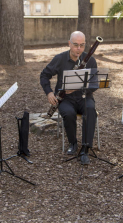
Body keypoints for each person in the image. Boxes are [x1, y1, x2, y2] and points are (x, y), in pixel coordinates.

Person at [40, 31, 97, 164]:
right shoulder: (60, 59)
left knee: (90, 110)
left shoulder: (90, 60)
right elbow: (44, 75)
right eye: (76, 45)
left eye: (82, 45)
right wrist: (49, 93)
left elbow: (94, 85)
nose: (79, 49)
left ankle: (85, 148)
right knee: (69, 113)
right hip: (66, 99)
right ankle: (73, 143)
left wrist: (77, 87)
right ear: (69, 43)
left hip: (85, 97)